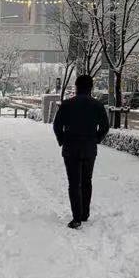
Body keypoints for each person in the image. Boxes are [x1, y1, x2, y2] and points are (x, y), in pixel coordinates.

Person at [53, 74, 110, 229]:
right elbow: (105, 126)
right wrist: (96, 139)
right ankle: (85, 213)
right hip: (89, 148)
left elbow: (57, 125)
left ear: (77, 87)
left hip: (70, 148)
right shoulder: (97, 105)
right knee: (86, 181)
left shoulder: (67, 104)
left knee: (74, 183)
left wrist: (62, 140)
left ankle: (76, 217)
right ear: (91, 88)